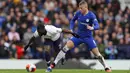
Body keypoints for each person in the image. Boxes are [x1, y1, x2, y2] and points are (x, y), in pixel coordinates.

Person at [46, 0, 111, 72]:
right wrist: (71, 29)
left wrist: (92, 28)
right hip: (78, 36)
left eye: (81, 8)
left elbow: (97, 26)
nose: (80, 10)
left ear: (86, 7)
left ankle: (106, 67)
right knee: (65, 48)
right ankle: (52, 65)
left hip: (88, 37)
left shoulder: (91, 15)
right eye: (79, 8)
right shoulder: (78, 13)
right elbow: (72, 20)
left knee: (97, 55)